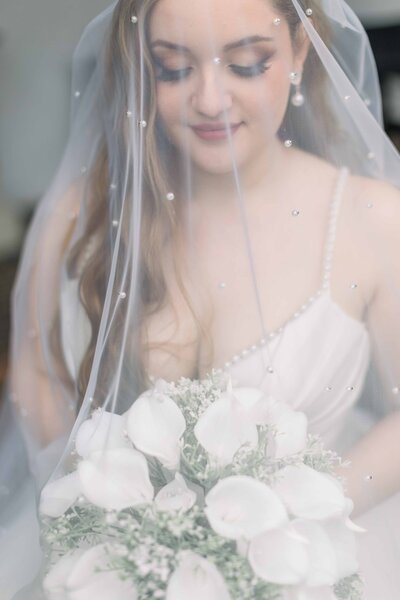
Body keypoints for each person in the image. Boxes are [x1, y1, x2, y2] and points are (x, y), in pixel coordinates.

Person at [2, 0, 400, 598]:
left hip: (312, 558)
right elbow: (37, 375)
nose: (210, 101)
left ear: (297, 51)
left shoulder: (375, 218)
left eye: (245, 64)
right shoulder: (86, 212)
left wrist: (290, 521)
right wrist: (103, 518)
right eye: (173, 69)